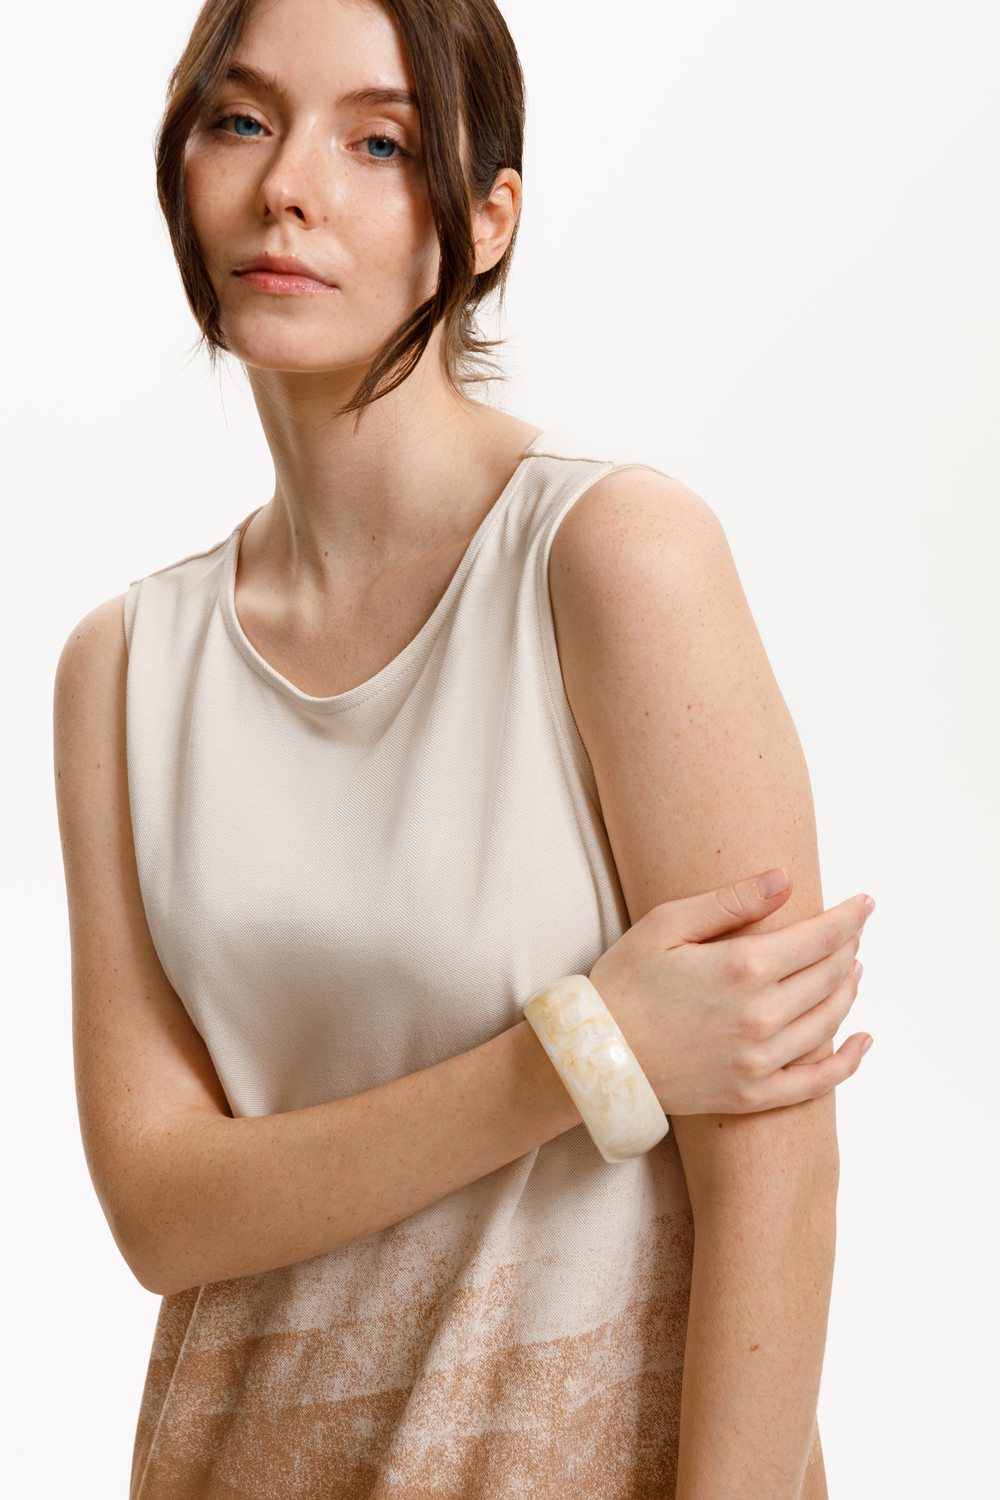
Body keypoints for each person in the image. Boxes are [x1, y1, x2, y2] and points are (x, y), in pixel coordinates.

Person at [53, 1, 874, 1495]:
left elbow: (777, 1169)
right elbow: (161, 1212)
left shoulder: (616, 560)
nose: (288, 185)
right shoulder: (123, 669)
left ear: (488, 220)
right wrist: (585, 1052)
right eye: (242, 119)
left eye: (379, 142)